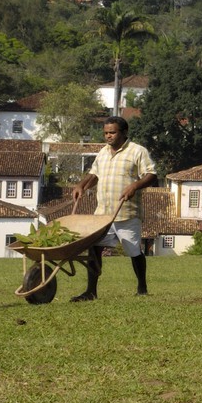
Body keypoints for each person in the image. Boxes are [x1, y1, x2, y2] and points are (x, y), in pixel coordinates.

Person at [69, 116, 158, 301]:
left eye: (112, 132)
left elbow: (151, 174)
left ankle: (142, 288)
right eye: (106, 133)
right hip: (103, 213)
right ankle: (91, 292)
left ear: (124, 132)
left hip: (126, 212)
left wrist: (134, 187)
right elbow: (94, 174)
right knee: (94, 248)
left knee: (134, 251)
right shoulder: (102, 152)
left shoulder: (137, 151)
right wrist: (81, 186)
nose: (108, 136)